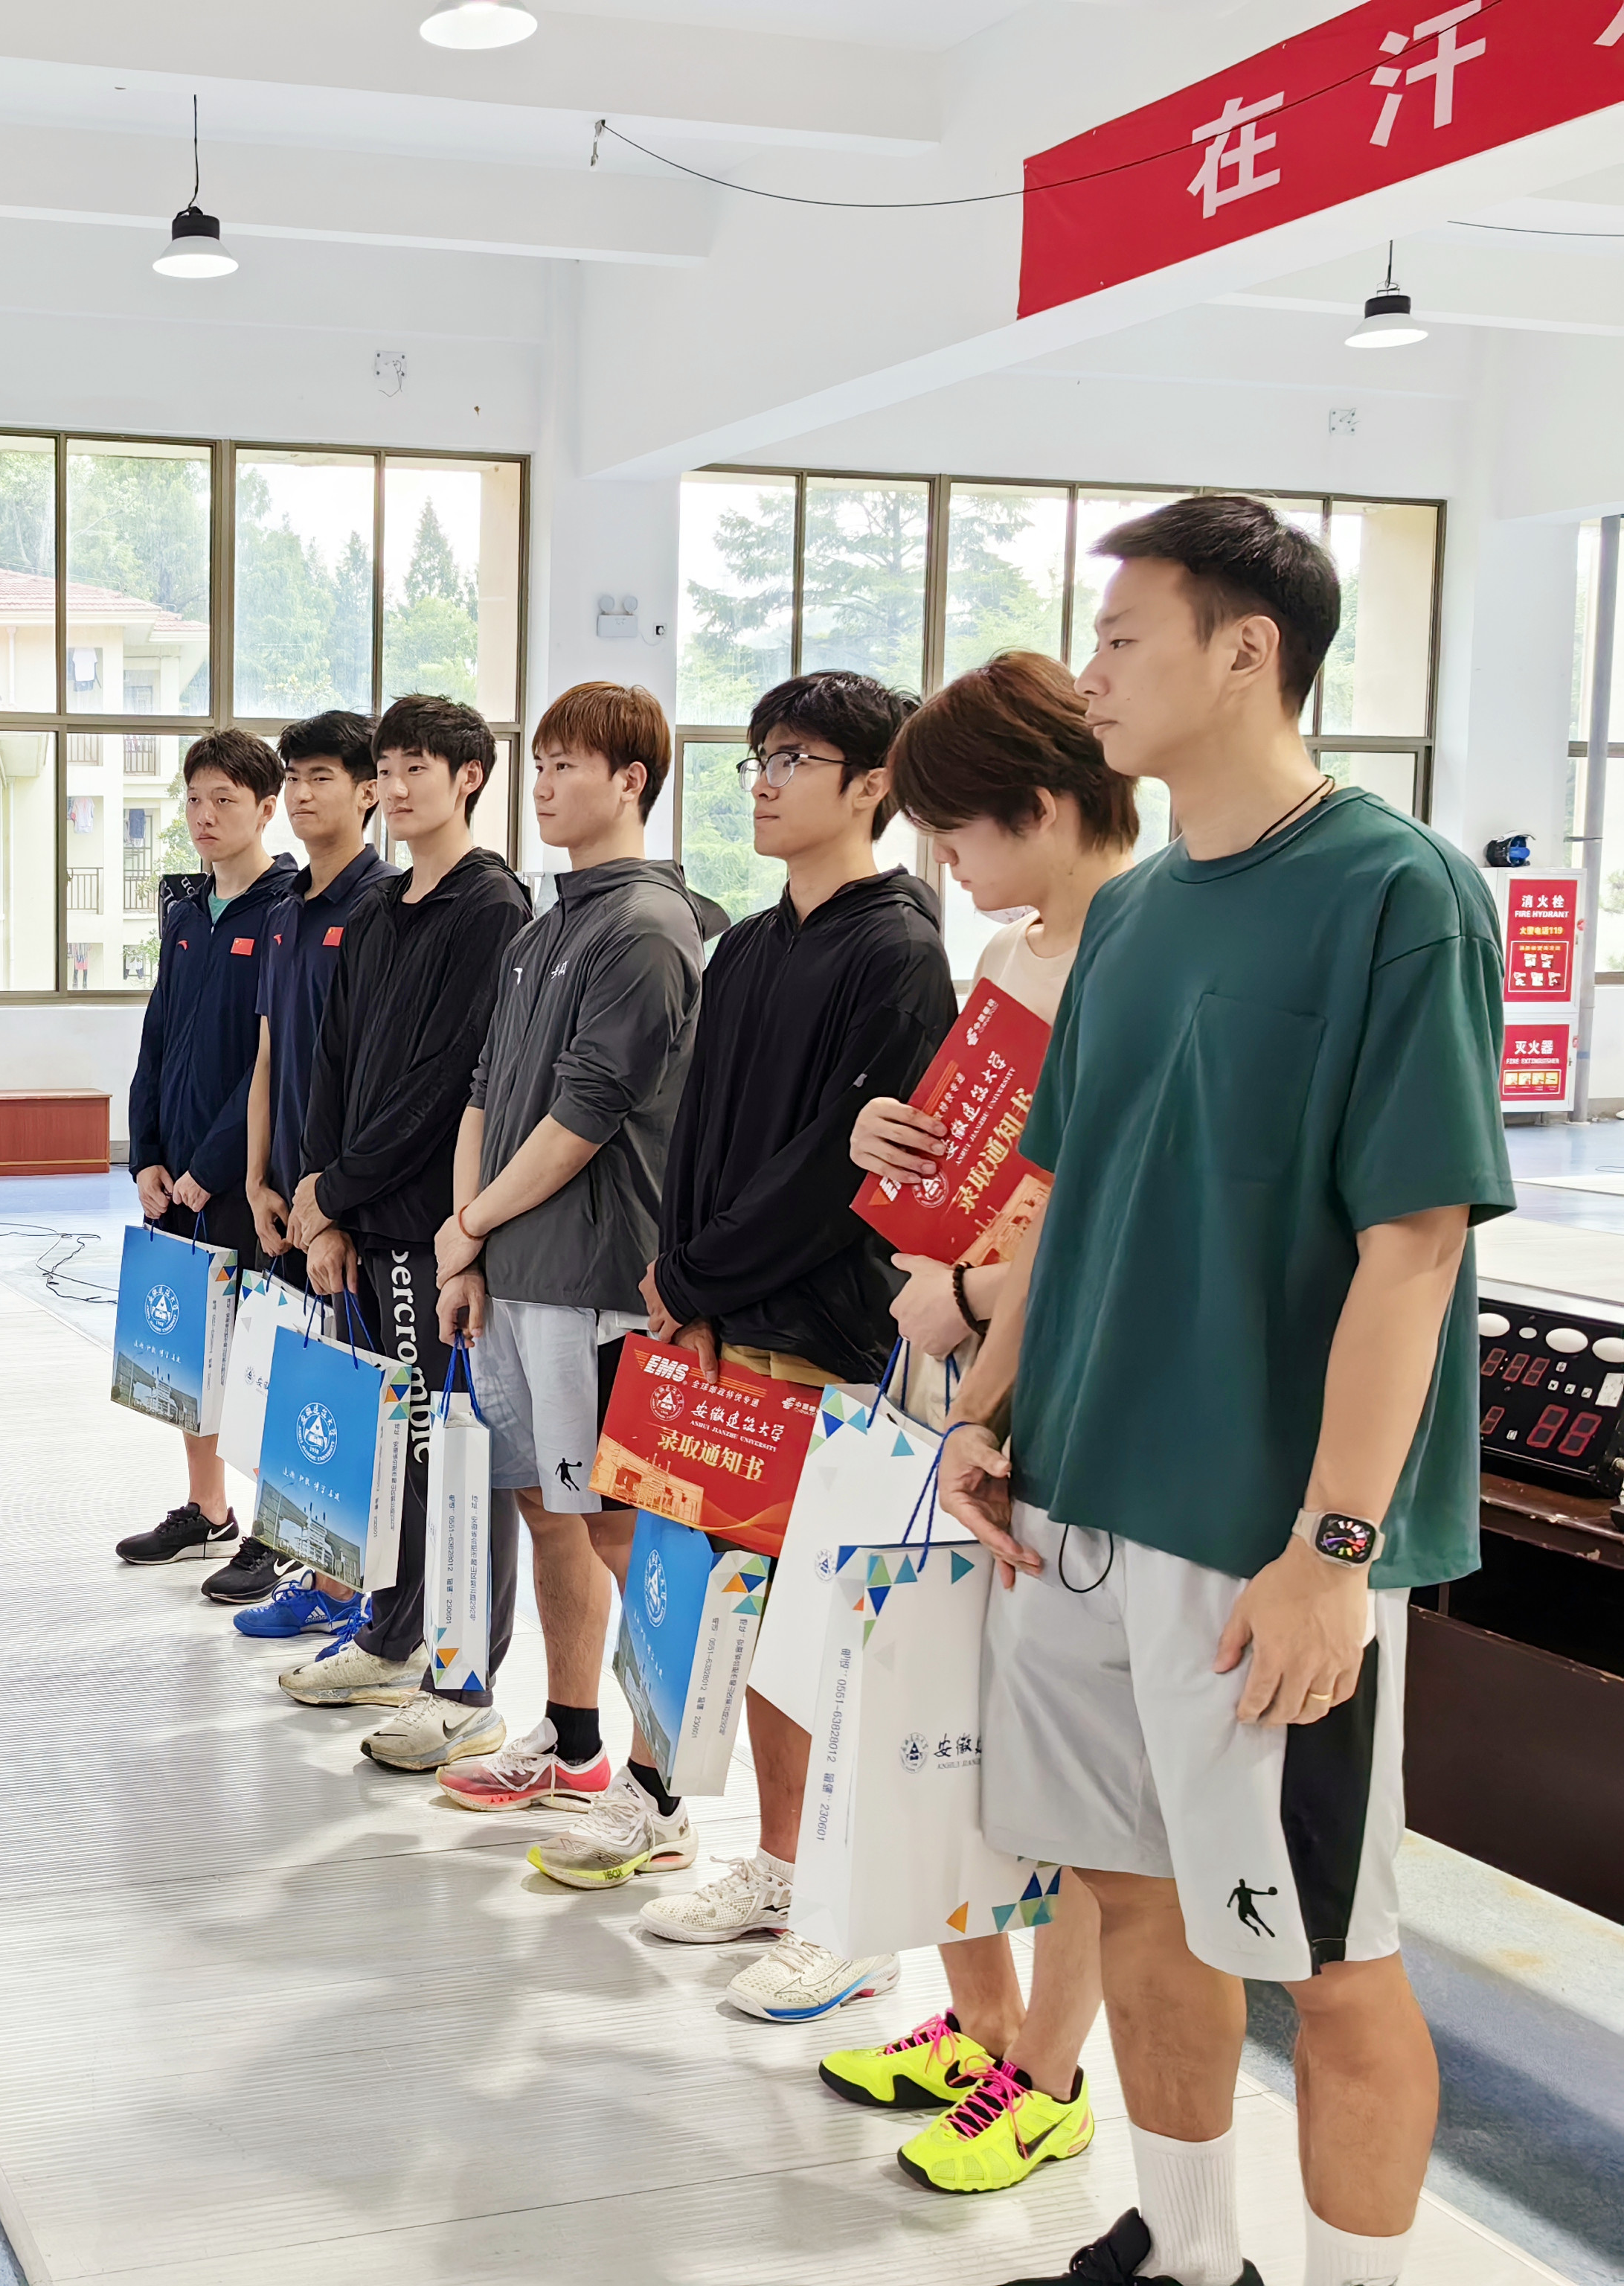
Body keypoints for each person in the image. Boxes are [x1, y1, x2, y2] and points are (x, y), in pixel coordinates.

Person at [943, 497, 1510, 2286]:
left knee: (1323, 1953)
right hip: (1076, 1508)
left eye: (1122, 637)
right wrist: (986, 1409)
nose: (1089, 673)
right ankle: (1190, 2254)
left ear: (1245, 647)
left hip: (1256, 1538)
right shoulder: (1128, 915)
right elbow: (1065, 1200)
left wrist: (1333, 1546)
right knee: (1130, 1892)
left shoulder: (1396, 893)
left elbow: (1412, 1245)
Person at [819, 650, 1140, 2194]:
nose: (942, 864)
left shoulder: (1140, 953)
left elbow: (1112, 1220)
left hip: (1063, 1390)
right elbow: (990, 1167)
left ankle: (1047, 2077)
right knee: (947, 1710)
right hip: (956, 1375)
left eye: (954, 831)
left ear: (1038, 804)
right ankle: (982, 2025)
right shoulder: (1018, 950)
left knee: (1071, 1768)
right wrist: (893, 1145)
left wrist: (968, 1286)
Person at [628, 669, 955, 2026]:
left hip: (827, 1335)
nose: (763, 781)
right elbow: (699, 1131)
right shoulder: (750, 944)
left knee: (834, 1636)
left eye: (797, 758)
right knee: (756, 1616)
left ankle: (850, 1912)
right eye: (758, 756)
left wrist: (701, 1272)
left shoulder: (899, 949)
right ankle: (777, 1863)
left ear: (874, 783)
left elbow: (842, 1172)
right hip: (721, 1324)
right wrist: (679, 1278)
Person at [413, 682, 703, 1820]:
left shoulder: (649, 927)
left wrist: (469, 1224)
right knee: (550, 1510)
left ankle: (662, 1783)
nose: (542, 784)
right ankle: (573, 1742)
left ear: (631, 780)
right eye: (537, 763)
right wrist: (466, 1248)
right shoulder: (541, 931)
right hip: (513, 1277)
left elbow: (584, 1118)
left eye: (566, 764)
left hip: (595, 1285)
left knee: (622, 1532)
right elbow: (485, 1094)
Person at [275, 693, 533, 1771]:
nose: (397, 785)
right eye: (386, 768)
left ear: (469, 776)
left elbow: (447, 1084)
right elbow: (331, 1062)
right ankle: (390, 1639)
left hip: (435, 1234)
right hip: (362, 1222)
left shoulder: (493, 906)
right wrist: (322, 1201)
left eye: (419, 766)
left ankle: (464, 1682)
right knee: (395, 1452)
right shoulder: (378, 908)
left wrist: (340, 1189)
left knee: (454, 1453)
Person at [208, 709, 394, 1627]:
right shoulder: (285, 915)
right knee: (301, 1390)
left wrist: (333, 1208)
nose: (304, 793)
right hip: (281, 1194)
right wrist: (254, 1180)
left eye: (324, 776)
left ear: (368, 793)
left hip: (345, 1204)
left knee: (358, 1401)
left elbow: (370, 1075)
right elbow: (269, 1054)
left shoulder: (383, 908)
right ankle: (317, 1581)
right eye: (296, 777)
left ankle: (357, 1599)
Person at [117, 729, 300, 1567]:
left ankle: (271, 1531)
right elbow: (157, 1039)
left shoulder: (286, 914)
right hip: (175, 1174)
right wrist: (147, 1155)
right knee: (189, 1350)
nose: (205, 815)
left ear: (266, 809)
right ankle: (207, 1508)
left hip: (242, 1177)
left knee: (258, 1356)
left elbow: (270, 1064)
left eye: (225, 799)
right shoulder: (187, 914)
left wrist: (210, 1168)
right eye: (194, 799)